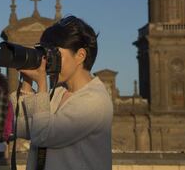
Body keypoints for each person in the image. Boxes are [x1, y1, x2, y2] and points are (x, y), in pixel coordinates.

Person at [16, 15, 113, 170]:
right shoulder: (59, 92)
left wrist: (41, 84)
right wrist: (27, 82)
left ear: (80, 56)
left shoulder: (94, 100)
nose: (48, 60)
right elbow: (20, 126)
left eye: (55, 53)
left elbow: (43, 136)